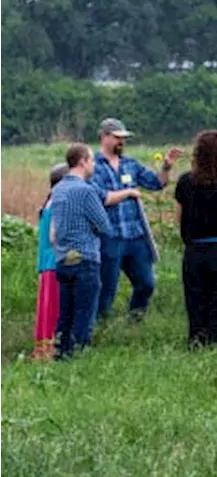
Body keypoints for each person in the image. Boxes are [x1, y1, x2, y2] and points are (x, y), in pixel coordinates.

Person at [91, 117, 182, 322]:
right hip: (109, 237)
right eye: (117, 138)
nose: (122, 142)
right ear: (104, 137)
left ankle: (134, 320)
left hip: (135, 236)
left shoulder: (130, 164)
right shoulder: (92, 166)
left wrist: (166, 167)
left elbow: (157, 183)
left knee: (146, 283)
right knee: (106, 290)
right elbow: (99, 197)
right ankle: (100, 328)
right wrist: (128, 193)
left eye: (124, 138)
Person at [174, 130, 217, 349]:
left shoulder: (185, 182)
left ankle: (196, 340)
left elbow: (178, 217)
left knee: (195, 300)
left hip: (195, 249)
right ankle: (216, 340)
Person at [50, 143, 114, 359]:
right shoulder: (86, 191)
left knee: (65, 314)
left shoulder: (57, 189)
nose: (94, 164)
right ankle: (79, 357)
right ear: (82, 161)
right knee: (84, 313)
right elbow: (105, 225)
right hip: (85, 257)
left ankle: (61, 354)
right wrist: (92, 227)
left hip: (63, 259)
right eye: (92, 160)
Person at [32, 163, 68, 361]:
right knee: (55, 307)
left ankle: (42, 348)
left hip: (45, 262)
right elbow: (56, 236)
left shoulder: (48, 203)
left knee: (46, 307)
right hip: (56, 260)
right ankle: (51, 349)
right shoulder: (58, 204)